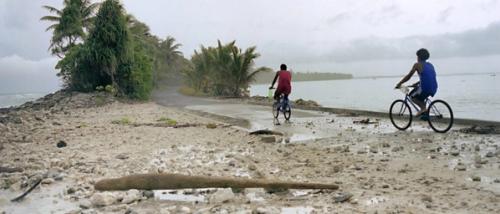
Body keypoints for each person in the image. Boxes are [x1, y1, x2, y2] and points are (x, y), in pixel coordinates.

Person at [396, 48, 438, 117]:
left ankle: (423, 109)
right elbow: (428, 77)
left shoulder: (417, 65)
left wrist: (400, 83)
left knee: (412, 97)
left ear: (419, 57)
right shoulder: (430, 65)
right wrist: (417, 83)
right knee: (421, 97)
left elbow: (408, 76)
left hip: (425, 88)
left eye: (417, 56)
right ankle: (425, 115)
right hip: (434, 87)